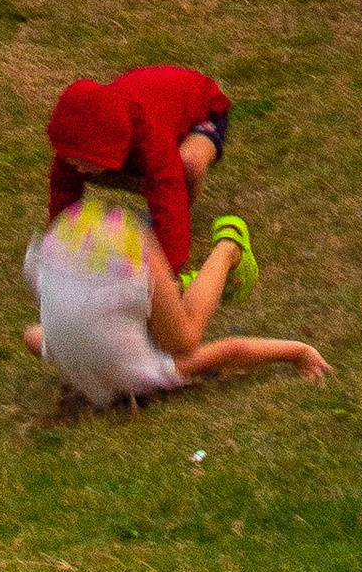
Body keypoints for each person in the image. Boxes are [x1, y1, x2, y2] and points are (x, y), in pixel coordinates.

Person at [22, 187, 327, 409]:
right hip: (65, 238)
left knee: (183, 340)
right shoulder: (133, 371)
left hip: (118, 250)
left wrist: (299, 353)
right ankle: (227, 250)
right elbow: (32, 336)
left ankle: (227, 248)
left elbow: (232, 350)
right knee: (181, 338)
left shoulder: (140, 372)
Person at [44, 66, 230, 279]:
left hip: (204, 113)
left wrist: (162, 278)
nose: (78, 168)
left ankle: (183, 213)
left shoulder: (153, 139)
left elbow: (169, 196)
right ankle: (151, 197)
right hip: (146, 128)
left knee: (186, 165)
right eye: (72, 161)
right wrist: (57, 246)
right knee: (92, 170)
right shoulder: (79, 134)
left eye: (83, 162)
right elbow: (62, 193)